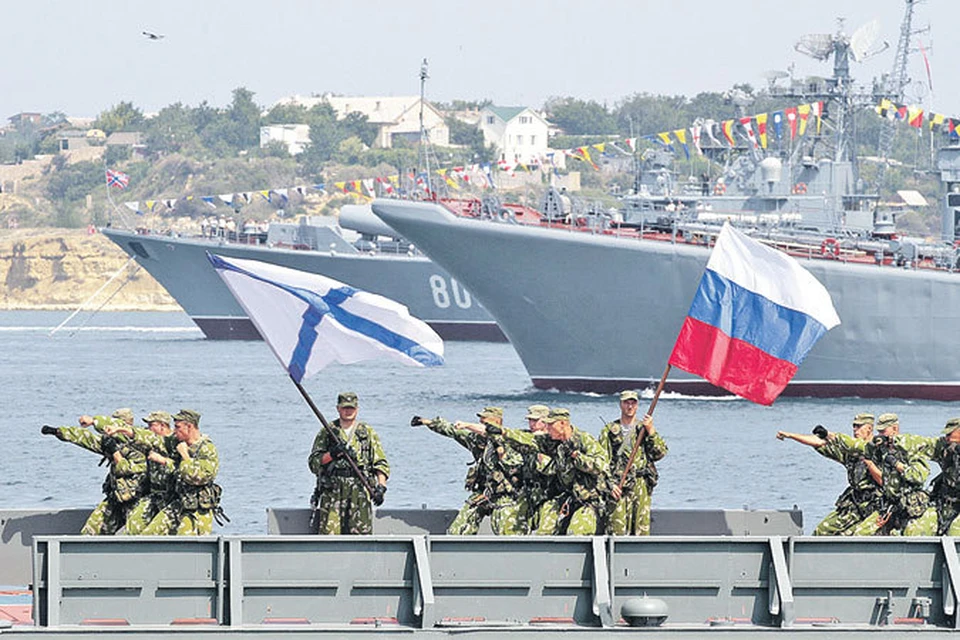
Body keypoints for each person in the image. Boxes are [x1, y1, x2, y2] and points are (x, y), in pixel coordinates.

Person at [413, 407, 526, 535]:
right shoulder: (475, 439)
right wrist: (427, 422)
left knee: (507, 532)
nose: (480, 424)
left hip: (506, 495)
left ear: (497, 422)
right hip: (483, 492)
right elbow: (452, 430)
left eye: (485, 422)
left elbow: (514, 464)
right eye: (480, 421)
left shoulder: (509, 440)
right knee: (458, 529)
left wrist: (501, 452)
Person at [109, 409, 221, 535]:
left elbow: (197, 477)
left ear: (189, 427)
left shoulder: (206, 449)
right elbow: (152, 439)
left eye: (178, 427)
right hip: (178, 503)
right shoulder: (176, 442)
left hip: (198, 511)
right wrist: (124, 430)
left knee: (186, 544)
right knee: (148, 535)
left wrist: (183, 455)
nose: (175, 431)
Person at [41, 408, 147, 535]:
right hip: (116, 499)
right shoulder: (111, 442)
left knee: (132, 536)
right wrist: (58, 432)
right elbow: (86, 438)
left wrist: (114, 452)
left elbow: (125, 469)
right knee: (89, 533)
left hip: (136, 501)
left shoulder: (140, 444)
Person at [777, 413, 881, 535]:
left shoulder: (877, 448)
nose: (855, 430)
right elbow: (818, 442)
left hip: (875, 506)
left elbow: (851, 444)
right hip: (855, 505)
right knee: (821, 532)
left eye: (859, 426)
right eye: (854, 426)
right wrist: (791, 435)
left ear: (869, 428)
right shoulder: (851, 453)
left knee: (854, 535)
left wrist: (828, 434)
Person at [308, 392, 389, 535]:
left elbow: (380, 463)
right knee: (329, 536)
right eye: (345, 408)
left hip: (359, 491)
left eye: (351, 408)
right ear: (338, 408)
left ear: (357, 409)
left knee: (361, 538)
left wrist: (381, 488)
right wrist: (332, 454)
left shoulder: (367, 432)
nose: (348, 411)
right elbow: (314, 463)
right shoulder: (328, 432)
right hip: (333, 492)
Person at [532, 408, 610, 535]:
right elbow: (526, 438)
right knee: (544, 531)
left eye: (551, 424)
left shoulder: (584, 440)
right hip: (568, 499)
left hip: (589, 501)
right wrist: (503, 432)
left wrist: (576, 456)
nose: (547, 427)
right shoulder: (557, 444)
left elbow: (600, 465)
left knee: (576, 533)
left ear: (563, 423)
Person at [600, 390, 667, 536]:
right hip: (619, 485)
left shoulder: (643, 429)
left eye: (633, 403)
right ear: (620, 405)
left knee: (641, 530)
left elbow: (660, 453)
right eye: (626, 403)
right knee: (616, 530)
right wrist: (610, 486)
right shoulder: (609, 431)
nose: (630, 406)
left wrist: (651, 431)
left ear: (637, 406)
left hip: (641, 484)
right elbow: (601, 463)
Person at [896, 418, 960, 536]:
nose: (947, 437)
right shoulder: (946, 448)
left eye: (950, 434)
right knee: (914, 529)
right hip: (944, 506)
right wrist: (893, 440)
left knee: (955, 533)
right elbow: (922, 443)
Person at [124, 411, 175, 535]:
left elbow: (182, 467)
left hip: (172, 498)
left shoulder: (174, 442)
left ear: (162, 426)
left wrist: (162, 460)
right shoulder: (151, 443)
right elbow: (137, 436)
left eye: (151, 425)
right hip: (154, 496)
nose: (148, 428)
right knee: (133, 526)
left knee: (155, 533)